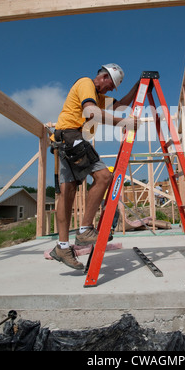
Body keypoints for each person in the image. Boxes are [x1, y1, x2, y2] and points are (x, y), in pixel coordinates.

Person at [50, 63, 140, 270]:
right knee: (103, 177)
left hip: (65, 139)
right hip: (71, 136)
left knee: (67, 193)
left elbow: (119, 106)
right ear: (104, 77)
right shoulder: (85, 84)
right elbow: (91, 112)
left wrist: (136, 87)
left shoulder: (99, 96)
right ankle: (84, 230)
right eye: (111, 86)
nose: (110, 90)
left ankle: (62, 247)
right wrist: (124, 123)